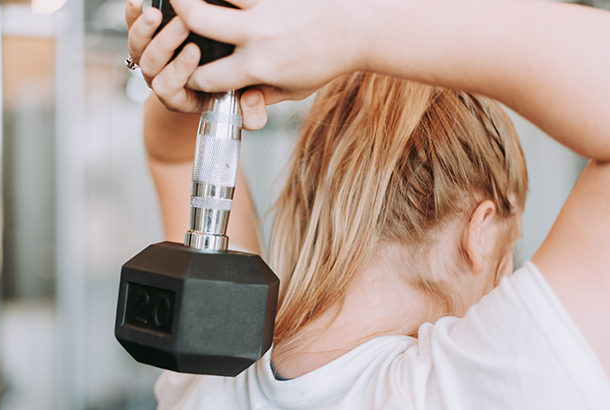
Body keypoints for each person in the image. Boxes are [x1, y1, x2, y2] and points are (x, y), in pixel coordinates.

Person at [124, 0, 610, 408]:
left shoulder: (210, 368)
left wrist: (198, 59)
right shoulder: (467, 387)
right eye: (511, 255)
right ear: (479, 233)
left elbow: (174, 153)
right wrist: (344, 29)